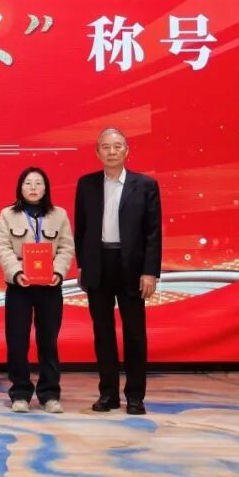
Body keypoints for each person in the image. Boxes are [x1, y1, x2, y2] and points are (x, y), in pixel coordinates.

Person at [74, 128, 161, 415]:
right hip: (98, 264)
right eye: (105, 147)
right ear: (97, 152)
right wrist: (82, 266)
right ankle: (108, 394)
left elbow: (153, 233)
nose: (111, 152)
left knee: (134, 333)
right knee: (103, 333)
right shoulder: (86, 184)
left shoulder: (145, 185)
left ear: (127, 150)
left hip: (132, 268)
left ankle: (135, 396)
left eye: (117, 146)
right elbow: (81, 230)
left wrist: (150, 272)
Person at [0, 167, 74, 413]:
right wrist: (17, 273)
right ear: (20, 188)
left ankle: (50, 394)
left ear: (46, 188)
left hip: (50, 287)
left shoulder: (59, 215)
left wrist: (57, 272)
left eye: (38, 183)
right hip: (19, 286)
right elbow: (2, 246)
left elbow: (66, 247)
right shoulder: (7, 214)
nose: (33, 188)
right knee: (17, 341)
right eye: (28, 183)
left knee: (48, 341)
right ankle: (20, 393)